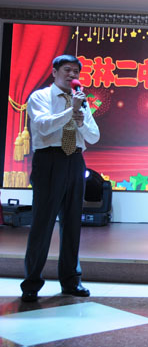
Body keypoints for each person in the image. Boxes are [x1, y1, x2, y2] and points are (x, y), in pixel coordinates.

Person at [20, 55, 100, 303]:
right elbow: (43, 126)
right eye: (67, 70)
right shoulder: (40, 97)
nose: (72, 75)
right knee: (42, 223)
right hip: (49, 160)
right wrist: (71, 111)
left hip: (75, 160)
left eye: (76, 71)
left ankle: (71, 280)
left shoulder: (82, 101)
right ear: (54, 72)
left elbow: (94, 136)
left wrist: (80, 121)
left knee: (73, 223)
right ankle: (32, 283)